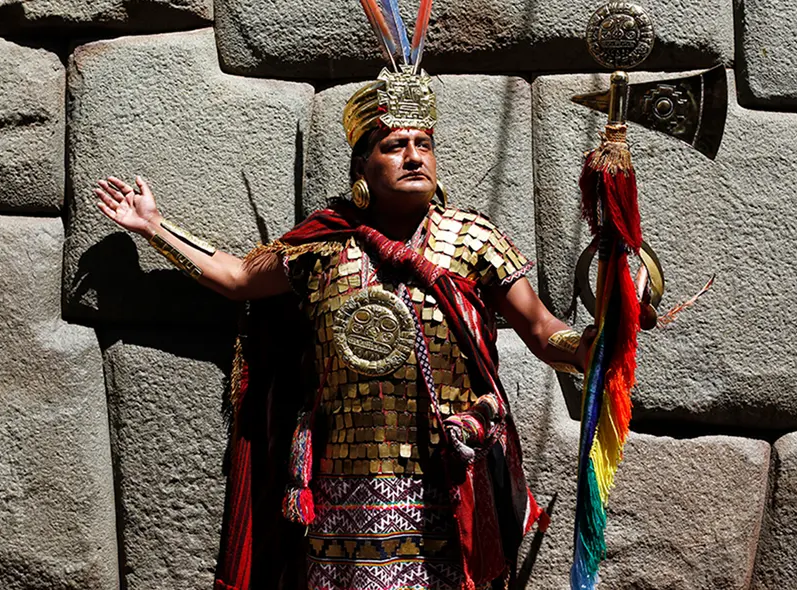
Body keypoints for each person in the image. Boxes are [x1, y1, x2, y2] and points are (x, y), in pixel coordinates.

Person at [94, 4, 593, 589]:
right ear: (363, 164)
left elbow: (541, 331)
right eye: (394, 146)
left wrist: (599, 343)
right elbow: (236, 279)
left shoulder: (475, 240)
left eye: (423, 144)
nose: (414, 156)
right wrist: (155, 228)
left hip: (450, 470)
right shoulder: (322, 247)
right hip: (342, 479)